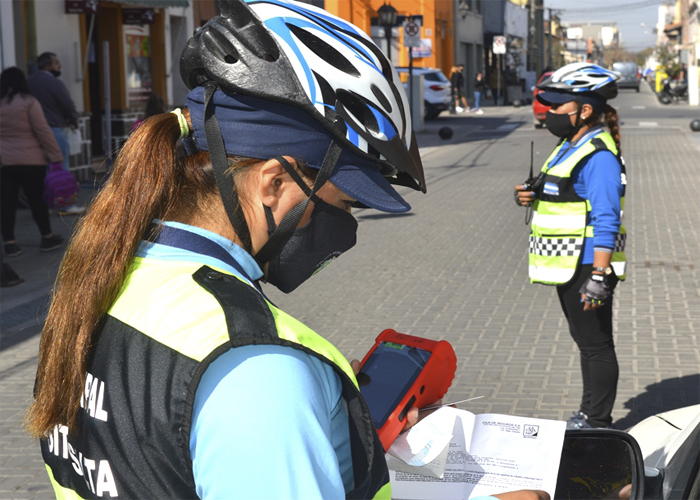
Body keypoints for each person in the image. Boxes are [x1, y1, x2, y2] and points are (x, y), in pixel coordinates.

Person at [26, 1, 550, 499]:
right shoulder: (257, 370)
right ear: (273, 183)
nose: (346, 227)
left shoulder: (109, 277)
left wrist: (325, 423)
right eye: (344, 203)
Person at [514, 62, 627, 430]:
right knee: (585, 342)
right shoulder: (569, 144)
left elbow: (607, 218)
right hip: (566, 262)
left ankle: (598, 422)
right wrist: (530, 196)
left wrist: (599, 274)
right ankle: (587, 412)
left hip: (585, 264)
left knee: (596, 344)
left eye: (557, 105)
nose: (549, 112)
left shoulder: (600, 156)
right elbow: (562, 191)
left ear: (585, 110)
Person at [0, 67, 64, 256]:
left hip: (4, 162)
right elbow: (42, 130)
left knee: (7, 203)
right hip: (31, 161)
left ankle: (10, 243)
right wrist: (55, 156)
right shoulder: (28, 102)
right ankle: (47, 237)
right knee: (37, 200)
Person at [28, 52, 85, 215]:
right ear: (48, 66)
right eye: (56, 63)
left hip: (33, 133)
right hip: (54, 128)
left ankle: (45, 205)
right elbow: (67, 104)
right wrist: (73, 121)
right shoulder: (54, 83)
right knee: (61, 166)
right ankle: (64, 204)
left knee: (43, 170)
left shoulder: (29, 82)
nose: (59, 66)